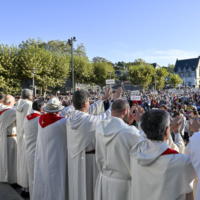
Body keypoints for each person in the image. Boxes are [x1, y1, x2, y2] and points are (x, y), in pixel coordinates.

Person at [67, 87, 122, 200]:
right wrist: (116, 100)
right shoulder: (88, 121)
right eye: (88, 101)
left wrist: (103, 99)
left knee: (77, 191)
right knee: (89, 192)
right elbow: (107, 116)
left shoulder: (70, 118)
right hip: (88, 162)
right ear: (84, 103)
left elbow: (87, 111)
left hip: (74, 161)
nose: (89, 104)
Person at [130, 109, 196, 200]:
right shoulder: (182, 162)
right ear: (166, 130)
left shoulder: (135, 153)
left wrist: (168, 129)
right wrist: (196, 133)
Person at [95, 98, 141, 200]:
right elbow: (145, 145)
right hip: (122, 186)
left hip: (103, 180)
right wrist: (140, 122)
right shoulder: (129, 131)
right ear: (125, 111)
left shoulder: (99, 127)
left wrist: (127, 124)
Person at [33, 98, 68, 200]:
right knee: (55, 183)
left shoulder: (40, 119)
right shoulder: (62, 122)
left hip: (42, 156)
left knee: (43, 181)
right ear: (58, 111)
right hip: (56, 157)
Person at [24, 100, 44, 200]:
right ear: (41, 109)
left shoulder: (27, 117)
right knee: (38, 179)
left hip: (28, 150)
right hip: (36, 151)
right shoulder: (40, 119)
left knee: (32, 178)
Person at [16, 89, 33, 196]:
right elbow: (30, 119)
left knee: (22, 160)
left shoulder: (18, 103)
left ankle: (23, 185)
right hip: (27, 135)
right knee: (28, 162)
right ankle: (27, 187)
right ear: (30, 96)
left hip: (20, 134)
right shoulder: (29, 104)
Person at [0, 95, 17, 184]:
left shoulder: (2, 110)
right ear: (10, 102)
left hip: (2, 137)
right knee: (12, 161)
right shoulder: (11, 112)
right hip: (10, 138)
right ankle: (12, 179)